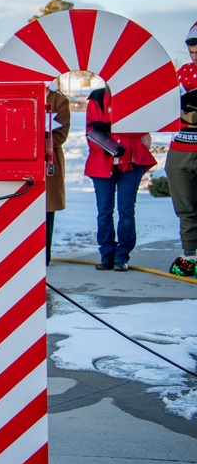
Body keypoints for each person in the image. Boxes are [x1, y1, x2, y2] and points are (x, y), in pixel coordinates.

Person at [84, 84, 156, 271]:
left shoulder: (135, 96)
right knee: (104, 211)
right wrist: (110, 148)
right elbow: (91, 131)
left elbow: (143, 124)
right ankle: (107, 254)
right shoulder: (96, 98)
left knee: (126, 210)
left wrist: (138, 133)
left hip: (131, 162)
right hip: (103, 162)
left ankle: (122, 255)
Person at [165, 22, 197, 278]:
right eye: (191, 49)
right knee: (185, 207)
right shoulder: (182, 72)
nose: (193, 54)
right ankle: (190, 255)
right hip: (181, 145)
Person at [45, 82, 71, 266]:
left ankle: (44, 255)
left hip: (48, 160)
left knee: (47, 210)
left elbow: (61, 134)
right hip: (20, 161)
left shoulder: (59, 100)